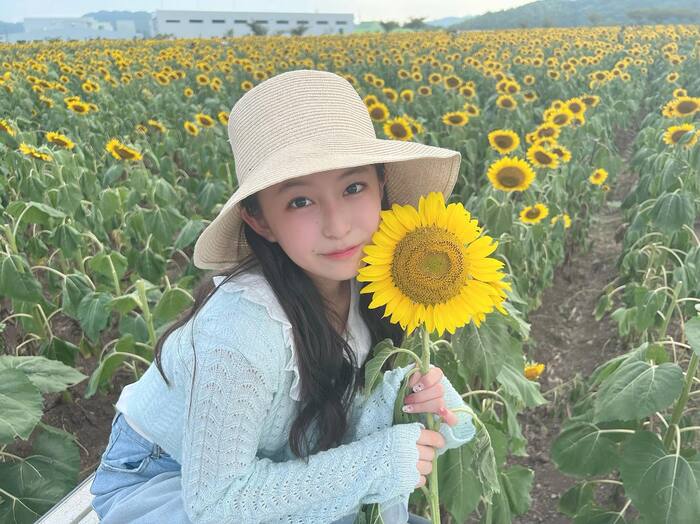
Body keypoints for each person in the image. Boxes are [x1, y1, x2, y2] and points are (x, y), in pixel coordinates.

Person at [89, 69, 476, 524]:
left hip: (271, 467)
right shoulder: (241, 331)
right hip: (167, 479)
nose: (337, 225)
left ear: (381, 187)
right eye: (300, 202)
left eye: (353, 188)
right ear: (260, 221)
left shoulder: (383, 281)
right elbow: (216, 504)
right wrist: (377, 462)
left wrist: (430, 401)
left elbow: (451, 423)